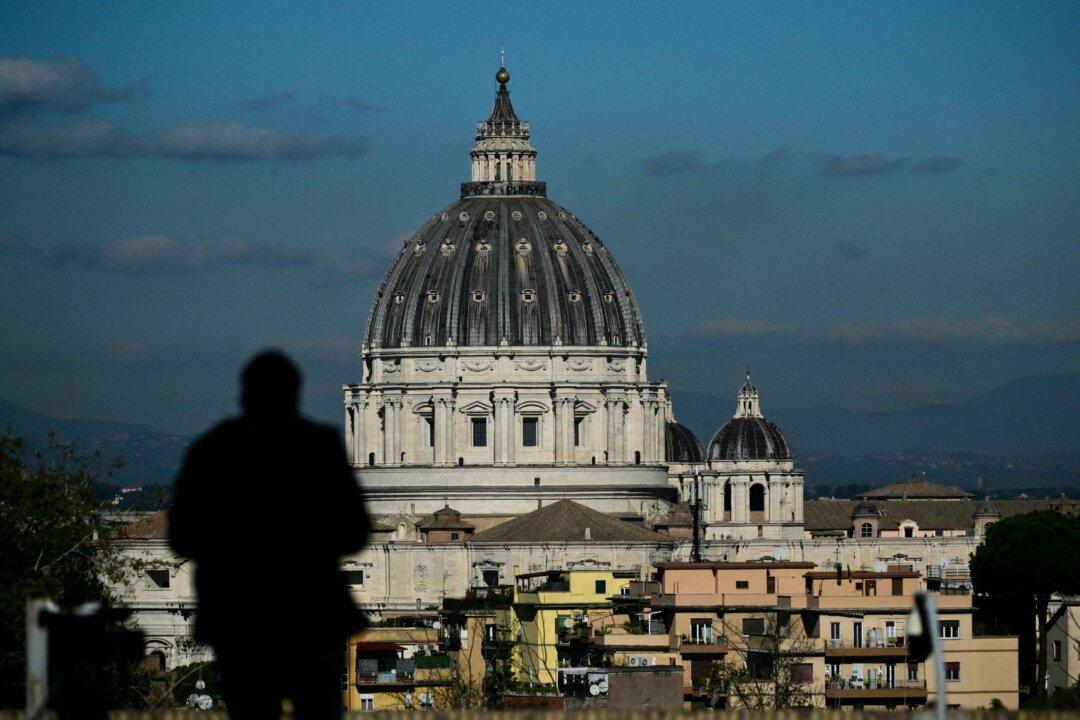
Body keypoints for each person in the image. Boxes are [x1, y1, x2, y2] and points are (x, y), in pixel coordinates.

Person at [169, 351, 369, 718]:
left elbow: (182, 537)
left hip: (238, 616)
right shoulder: (319, 446)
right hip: (310, 612)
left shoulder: (211, 451)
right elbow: (355, 532)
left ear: (244, 395)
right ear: (295, 395)